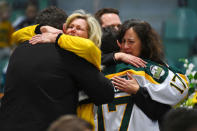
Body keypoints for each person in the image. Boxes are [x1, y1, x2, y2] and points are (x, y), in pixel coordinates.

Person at [0, 6, 114, 131]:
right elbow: (106, 95)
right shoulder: (70, 55)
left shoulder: (21, 49)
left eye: (79, 28)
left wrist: (46, 32)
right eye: (70, 27)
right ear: (63, 29)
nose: (73, 31)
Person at [95, 19, 189, 131]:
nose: (125, 46)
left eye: (130, 42)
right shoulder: (147, 68)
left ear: (144, 43)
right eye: (123, 41)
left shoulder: (98, 70)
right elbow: (181, 87)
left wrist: (139, 91)